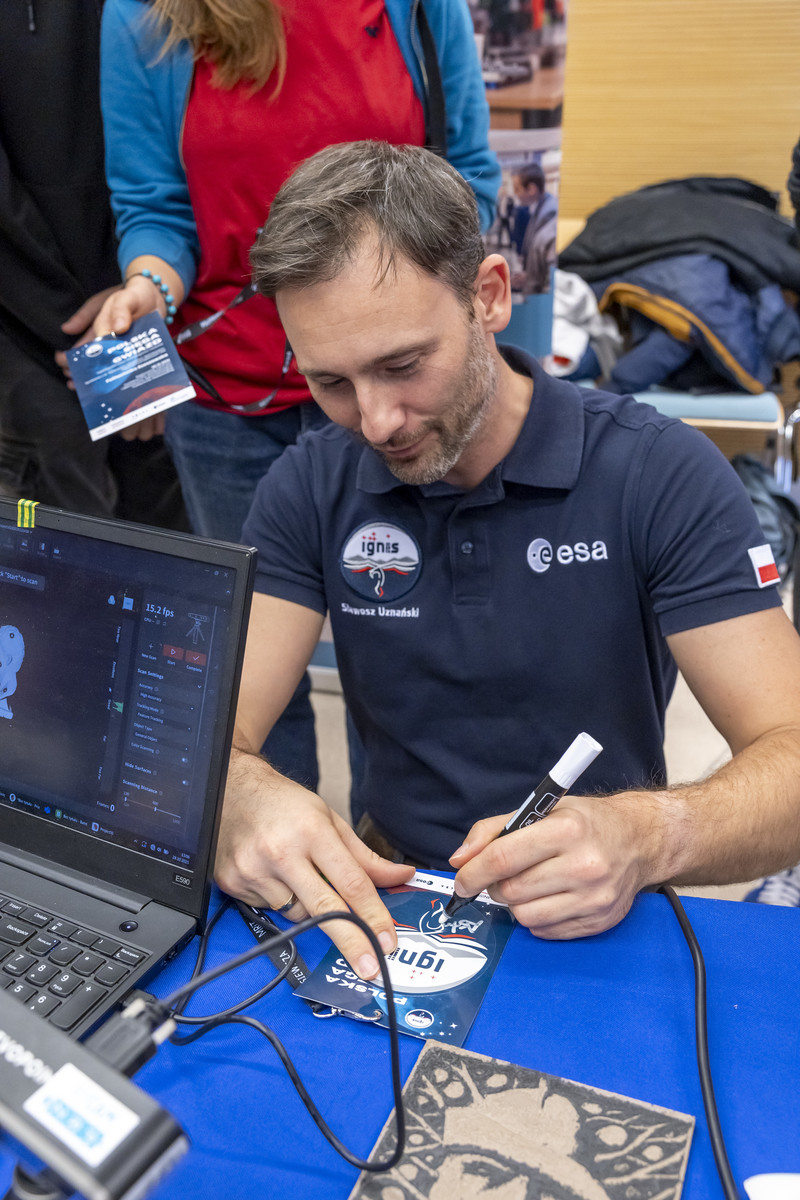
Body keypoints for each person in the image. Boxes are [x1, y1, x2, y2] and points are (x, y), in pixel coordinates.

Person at [211, 140, 800, 978]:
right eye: (331, 383)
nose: (376, 421)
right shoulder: (311, 482)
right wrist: (238, 792)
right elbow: (208, 729)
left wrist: (647, 834)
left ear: (488, 296)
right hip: (397, 900)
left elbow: (790, 752)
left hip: (599, 904)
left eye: (403, 366)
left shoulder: (657, 473)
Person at [93, 0, 500, 790]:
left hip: (395, 376)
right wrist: (150, 286)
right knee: (250, 659)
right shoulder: (147, 15)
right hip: (228, 399)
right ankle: (279, 851)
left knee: (403, 643)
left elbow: (468, 181)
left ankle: (404, 844)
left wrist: (386, 298)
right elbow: (157, 210)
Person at [0, 0, 185, 528]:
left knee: (168, 546)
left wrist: (139, 311)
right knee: (63, 551)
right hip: (33, 342)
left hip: (161, 316)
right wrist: (112, 348)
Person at [510, 162, 558, 294]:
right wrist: (528, 276)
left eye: (517, 189)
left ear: (531, 189)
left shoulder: (550, 217)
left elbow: (550, 275)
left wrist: (532, 279)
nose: (516, 194)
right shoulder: (539, 210)